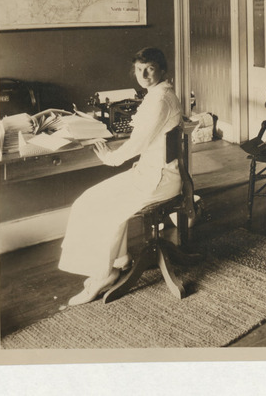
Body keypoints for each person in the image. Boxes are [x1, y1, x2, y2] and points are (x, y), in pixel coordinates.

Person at [58, 47, 183, 305]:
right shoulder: (158, 94)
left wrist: (111, 158)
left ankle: (104, 274)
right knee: (89, 199)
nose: (144, 74)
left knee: (96, 204)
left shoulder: (159, 99)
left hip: (158, 179)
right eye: (139, 69)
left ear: (162, 69)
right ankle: (117, 260)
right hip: (152, 172)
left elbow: (139, 142)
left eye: (150, 68)